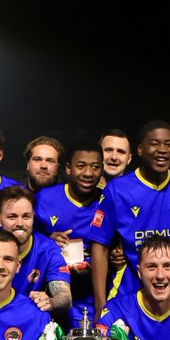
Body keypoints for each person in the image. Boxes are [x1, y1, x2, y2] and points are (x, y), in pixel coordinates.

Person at [88, 120, 170, 317]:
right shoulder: (117, 190)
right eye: (154, 143)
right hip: (125, 298)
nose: (162, 150)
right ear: (140, 149)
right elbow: (100, 248)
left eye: (168, 144)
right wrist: (100, 306)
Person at [0, 186, 72, 319]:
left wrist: (50, 302)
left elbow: (65, 297)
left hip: (28, 321)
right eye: (12, 217)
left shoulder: (48, 250)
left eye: (26, 216)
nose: (20, 223)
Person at [35, 138, 104, 326]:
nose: (88, 173)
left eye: (95, 167)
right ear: (68, 168)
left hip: (93, 297)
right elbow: (27, 240)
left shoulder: (107, 201)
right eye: (81, 166)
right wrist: (49, 239)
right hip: (50, 298)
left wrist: (116, 254)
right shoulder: (44, 198)